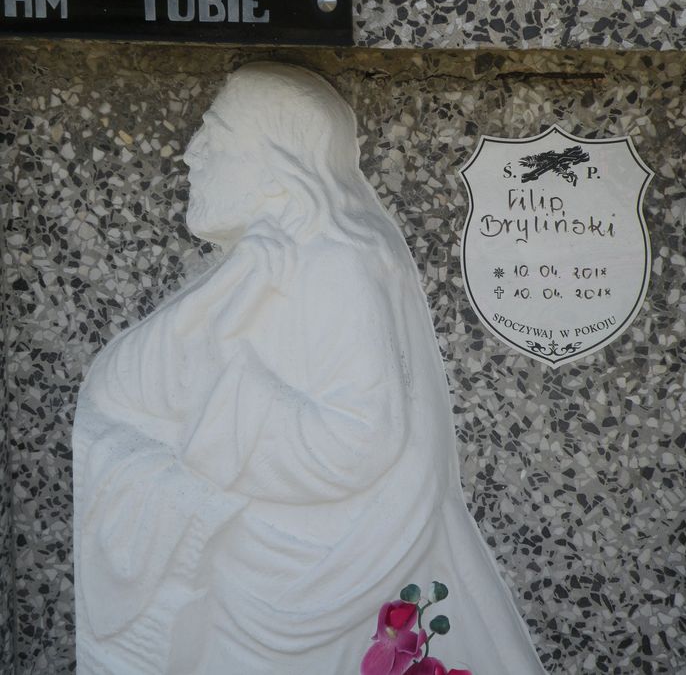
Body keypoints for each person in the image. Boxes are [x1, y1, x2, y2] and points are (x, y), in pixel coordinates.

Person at [73, 63, 545, 674]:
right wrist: (222, 295)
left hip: (310, 578)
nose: (191, 153)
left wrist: (223, 399)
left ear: (279, 166)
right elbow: (121, 387)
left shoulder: (335, 261)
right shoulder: (268, 257)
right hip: (264, 582)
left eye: (215, 135)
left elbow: (359, 440)